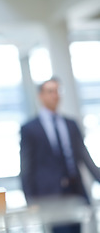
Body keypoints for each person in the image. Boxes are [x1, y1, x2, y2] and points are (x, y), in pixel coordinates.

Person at [20, 78, 100, 233]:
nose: (55, 95)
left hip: (75, 192)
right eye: (50, 91)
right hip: (50, 196)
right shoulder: (30, 129)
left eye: (57, 91)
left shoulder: (71, 124)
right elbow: (26, 165)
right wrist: (30, 198)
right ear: (41, 96)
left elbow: (84, 157)